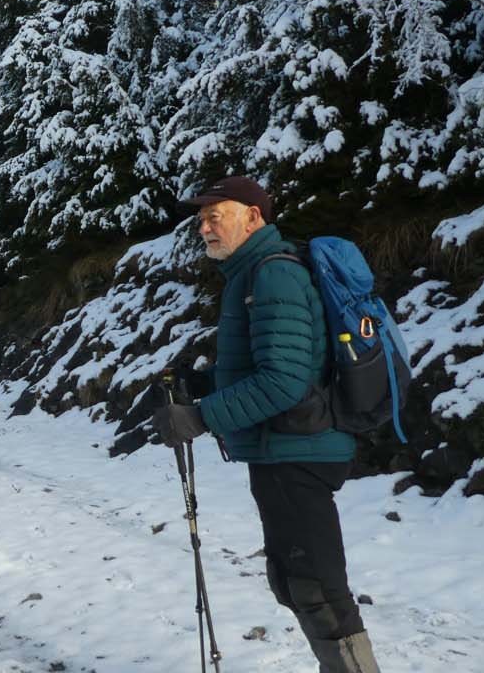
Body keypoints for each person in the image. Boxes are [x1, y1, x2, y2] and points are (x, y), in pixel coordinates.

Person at [153, 176, 380, 673]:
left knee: (315, 587)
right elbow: (269, 368)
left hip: (299, 449)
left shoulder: (272, 275)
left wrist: (199, 416)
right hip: (285, 448)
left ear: (254, 216)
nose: (206, 227)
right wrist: (204, 383)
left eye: (218, 215)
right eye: (201, 220)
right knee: (296, 579)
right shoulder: (250, 273)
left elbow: (284, 383)